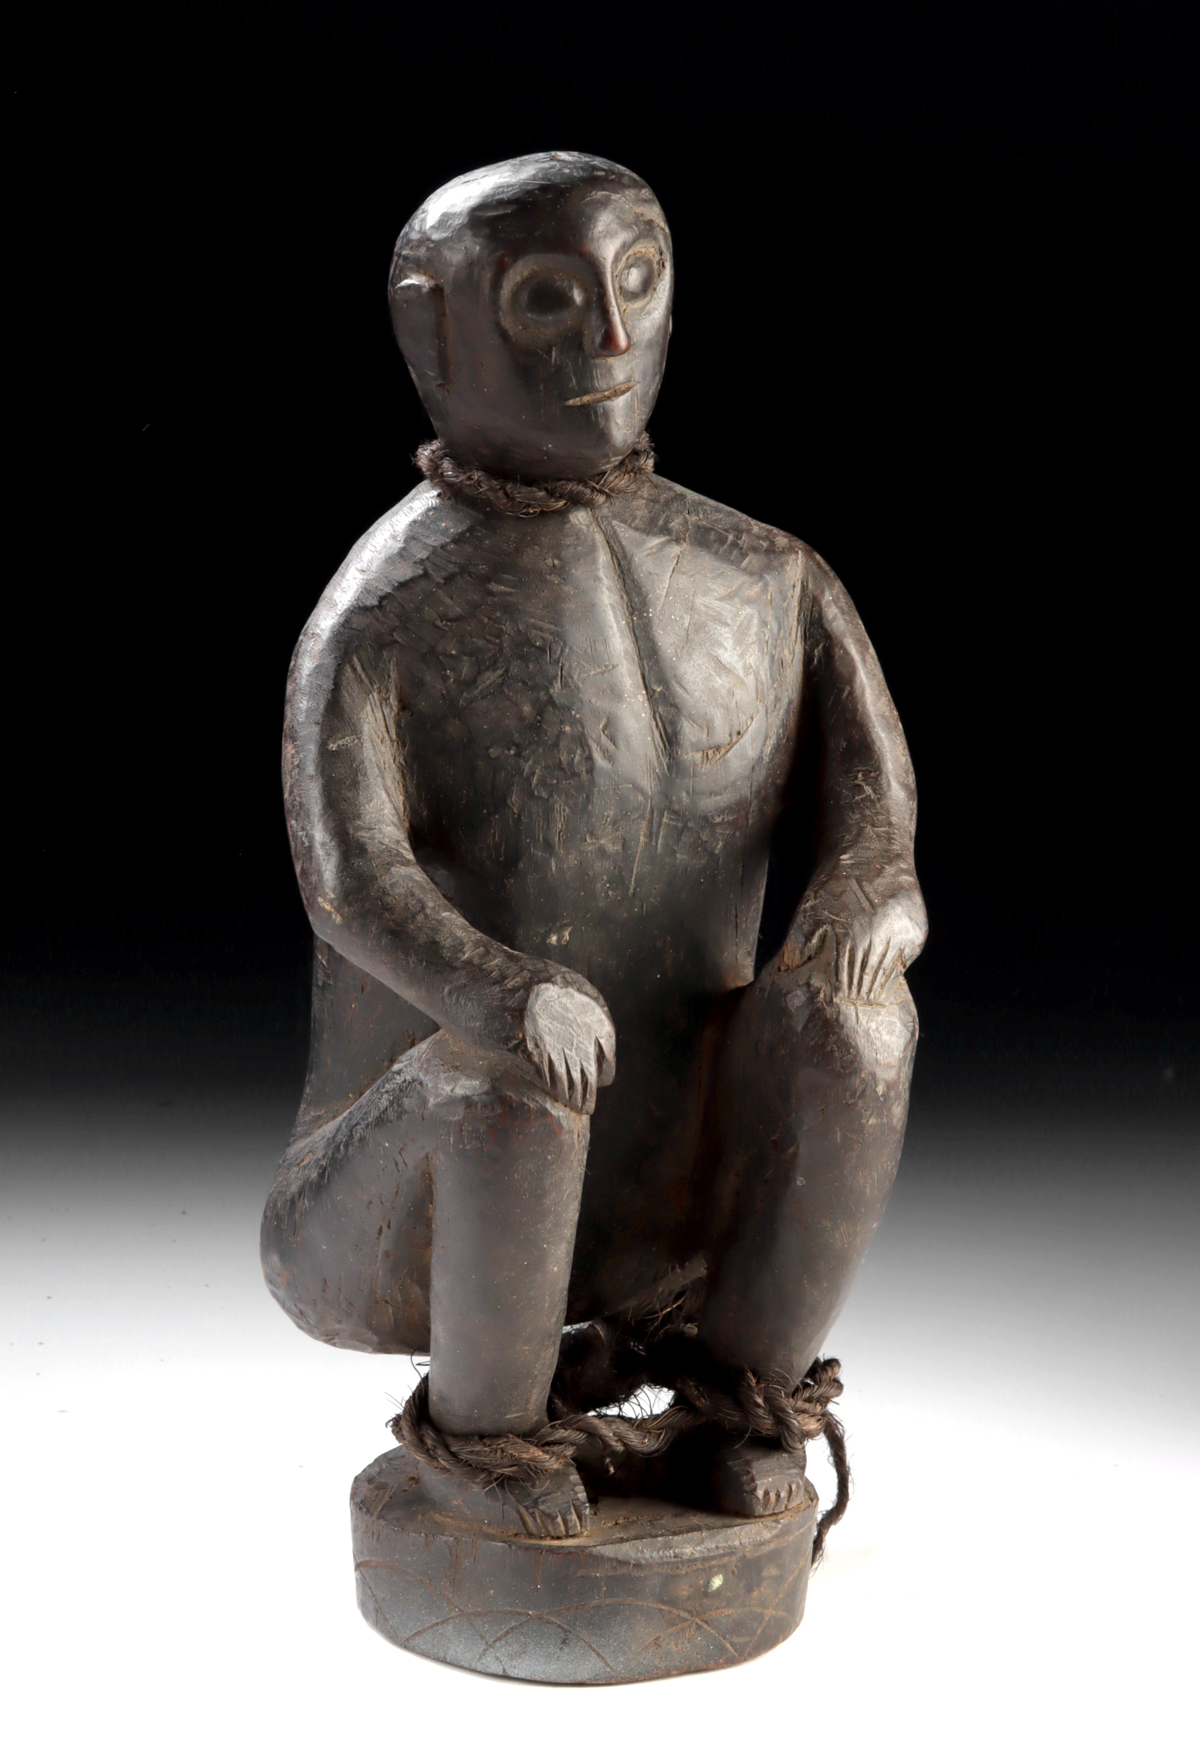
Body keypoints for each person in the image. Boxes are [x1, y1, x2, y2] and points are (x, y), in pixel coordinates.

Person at [261, 152, 926, 1537]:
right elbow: (351, 885)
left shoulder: (770, 575)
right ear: (432, 324)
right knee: (505, 1075)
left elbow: (877, 813)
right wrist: (500, 988)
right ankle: (491, 1437)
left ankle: (739, 1401)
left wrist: (875, 896)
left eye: (637, 282)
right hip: (406, 1198)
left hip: (677, 1175)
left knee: (862, 1027)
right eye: (548, 300)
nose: (611, 339)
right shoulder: (384, 617)